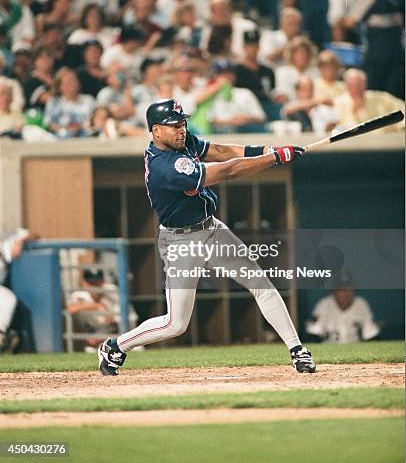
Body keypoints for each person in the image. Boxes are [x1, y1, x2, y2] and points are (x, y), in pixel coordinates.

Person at [98, 98, 316, 375]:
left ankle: (297, 350)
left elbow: (222, 151)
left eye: (182, 123)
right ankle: (116, 346)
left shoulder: (183, 141)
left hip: (212, 229)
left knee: (260, 282)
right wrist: (274, 158)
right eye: (174, 125)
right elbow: (229, 170)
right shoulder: (165, 166)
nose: (181, 129)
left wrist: (267, 149)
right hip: (181, 242)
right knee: (175, 324)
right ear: (155, 131)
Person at [343, 0, 405, 98]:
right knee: (396, 92)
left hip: (377, 52)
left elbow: (350, 21)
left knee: (374, 90)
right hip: (398, 51)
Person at [67, 267, 141, 352]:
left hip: (117, 337)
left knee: (137, 349)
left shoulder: (112, 292)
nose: (94, 286)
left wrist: (101, 338)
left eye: (97, 282)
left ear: (103, 281)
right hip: (94, 336)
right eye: (91, 283)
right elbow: (70, 309)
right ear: (83, 283)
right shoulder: (80, 295)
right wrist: (97, 306)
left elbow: (128, 325)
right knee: (90, 350)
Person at [306, 272, 380, 343]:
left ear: (353, 290)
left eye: (348, 289)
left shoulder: (361, 304)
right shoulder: (324, 304)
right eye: (341, 290)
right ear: (334, 291)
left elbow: (371, 336)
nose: (345, 293)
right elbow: (313, 335)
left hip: (356, 350)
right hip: (329, 349)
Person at [334, 68, 405, 130]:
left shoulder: (381, 98)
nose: (356, 88)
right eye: (353, 85)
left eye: (359, 84)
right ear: (347, 86)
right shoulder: (339, 103)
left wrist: (400, 125)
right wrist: (354, 111)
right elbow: (342, 128)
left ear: (365, 84)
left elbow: (402, 107)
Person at [0, 229, 30, 353]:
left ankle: (1, 335)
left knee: (8, 298)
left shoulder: (6, 243)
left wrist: (19, 241)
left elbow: (28, 233)